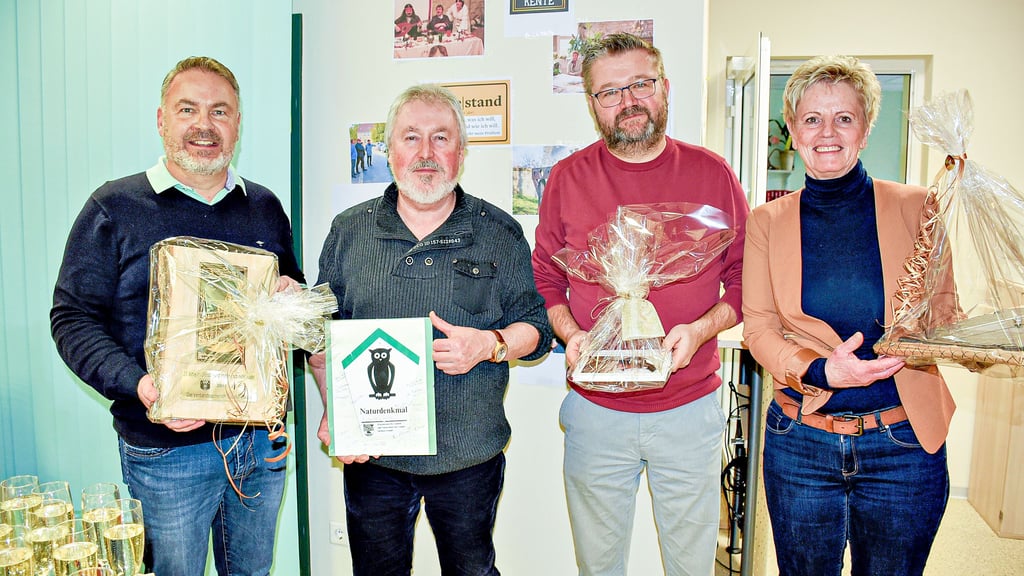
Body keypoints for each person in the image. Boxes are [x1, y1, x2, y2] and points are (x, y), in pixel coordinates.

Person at [50, 56, 304, 576]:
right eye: (187, 109)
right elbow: (72, 318)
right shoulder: (114, 207)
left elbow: (293, 324)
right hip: (166, 452)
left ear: (237, 123)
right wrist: (142, 386)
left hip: (260, 443)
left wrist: (289, 303)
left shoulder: (264, 207)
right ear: (162, 119)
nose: (204, 125)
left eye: (220, 111)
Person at [311, 83, 553, 576]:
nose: (425, 153)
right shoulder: (349, 230)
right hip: (374, 459)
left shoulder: (498, 231)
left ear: (461, 152)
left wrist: (491, 344)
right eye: (411, 137)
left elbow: (537, 328)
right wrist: (333, 411)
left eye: (441, 138)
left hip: (468, 458)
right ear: (388, 149)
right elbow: (322, 337)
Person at [531, 33, 749, 576]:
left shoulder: (712, 174)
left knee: (691, 562)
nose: (627, 101)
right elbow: (545, 277)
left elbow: (747, 279)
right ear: (592, 104)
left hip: (689, 408)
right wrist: (570, 334)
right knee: (598, 564)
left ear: (665, 87)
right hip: (595, 412)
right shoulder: (567, 178)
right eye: (609, 92)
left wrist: (700, 330)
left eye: (640, 84)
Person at [741, 55, 955, 576]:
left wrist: (928, 335)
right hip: (802, 442)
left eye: (844, 118)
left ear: (865, 128)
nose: (827, 133)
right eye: (812, 119)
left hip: (903, 444)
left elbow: (947, 307)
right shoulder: (767, 221)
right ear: (792, 129)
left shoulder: (917, 205)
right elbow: (759, 328)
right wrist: (822, 372)